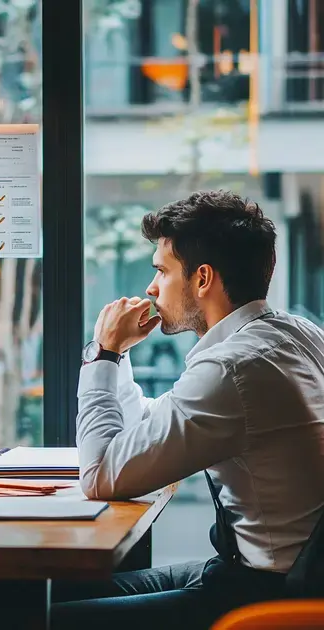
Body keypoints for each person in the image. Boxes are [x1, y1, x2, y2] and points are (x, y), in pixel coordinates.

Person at [51, 190, 324, 629]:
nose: (151, 287)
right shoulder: (297, 335)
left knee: (45, 617)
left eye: (162, 271)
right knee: (51, 592)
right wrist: (117, 354)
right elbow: (150, 426)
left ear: (202, 279)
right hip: (279, 574)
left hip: (266, 593)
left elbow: (100, 475)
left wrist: (101, 354)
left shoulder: (231, 369)